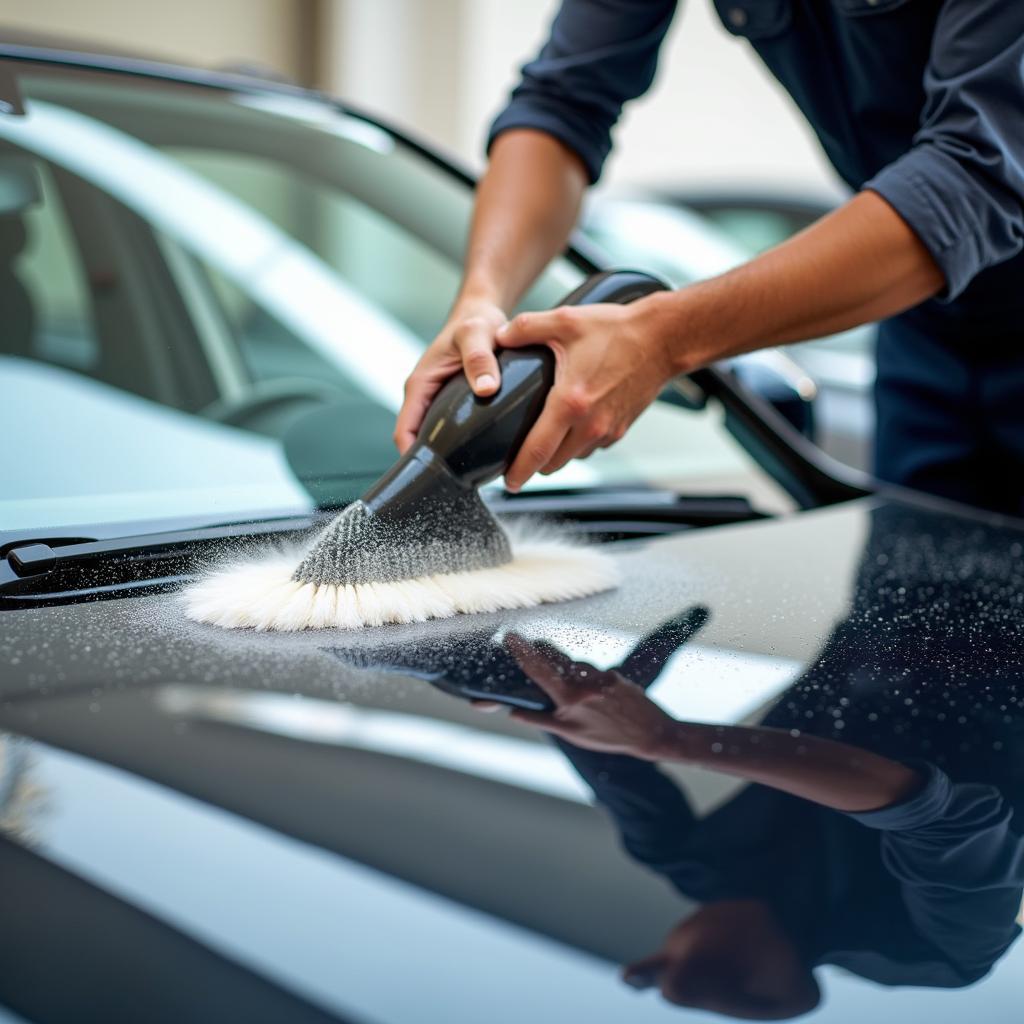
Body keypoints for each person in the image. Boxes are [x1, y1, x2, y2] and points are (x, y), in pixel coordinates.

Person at [396, 1, 1024, 515]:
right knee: (921, 643)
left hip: (941, 272)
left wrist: (662, 339)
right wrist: (482, 296)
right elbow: (563, 101)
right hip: (927, 328)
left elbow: (975, 175)